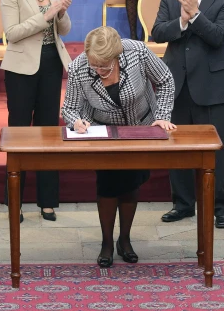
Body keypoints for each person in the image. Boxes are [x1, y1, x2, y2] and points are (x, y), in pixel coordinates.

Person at [62, 26, 175, 267]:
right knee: (108, 184)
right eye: (95, 66)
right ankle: (106, 243)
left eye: (104, 66)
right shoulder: (79, 67)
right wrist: (76, 122)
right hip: (104, 132)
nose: (99, 71)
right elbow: (69, 108)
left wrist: (163, 115)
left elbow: (165, 80)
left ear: (117, 55)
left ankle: (124, 240)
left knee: (131, 181)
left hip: (141, 128)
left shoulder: (138, 53)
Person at [151, 0, 224, 228]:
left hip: (212, 86)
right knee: (177, 148)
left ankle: (221, 208)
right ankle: (183, 203)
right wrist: (183, 20)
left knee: (219, 152)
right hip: (176, 84)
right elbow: (158, 32)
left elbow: (219, 37)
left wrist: (196, 16)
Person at [0, 0, 71, 221]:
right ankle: (14, 201)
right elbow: (12, 32)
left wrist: (61, 14)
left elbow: (64, 29)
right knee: (19, 131)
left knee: (48, 131)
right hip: (20, 68)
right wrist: (46, 14)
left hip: (52, 62)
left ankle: (48, 200)